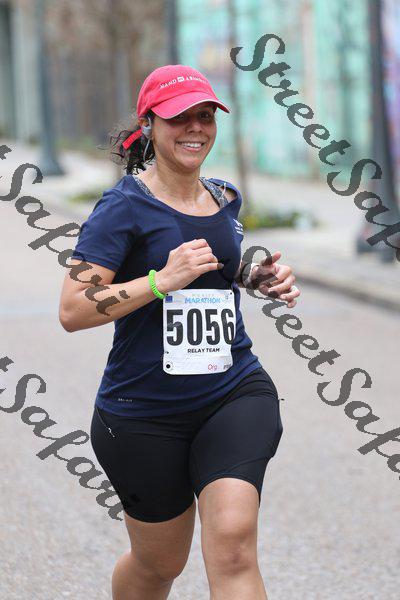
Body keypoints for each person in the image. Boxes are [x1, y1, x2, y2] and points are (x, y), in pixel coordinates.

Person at [59, 64, 300, 600]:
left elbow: (218, 274)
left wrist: (254, 278)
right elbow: (73, 309)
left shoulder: (223, 196)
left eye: (205, 116)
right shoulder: (121, 207)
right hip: (143, 411)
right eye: (178, 118)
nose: (195, 128)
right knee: (159, 564)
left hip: (233, 391)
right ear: (148, 124)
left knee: (234, 546)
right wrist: (159, 281)